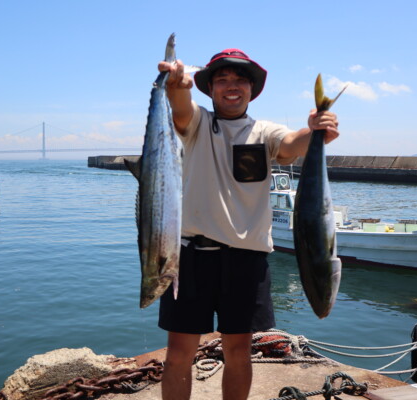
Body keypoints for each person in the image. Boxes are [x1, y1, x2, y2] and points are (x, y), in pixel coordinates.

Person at [157, 49, 340, 400]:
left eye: (240, 79)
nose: (231, 86)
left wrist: (315, 130)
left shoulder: (264, 131)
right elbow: (180, 109)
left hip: (246, 261)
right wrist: (177, 86)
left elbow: (290, 146)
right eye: (222, 79)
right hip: (191, 257)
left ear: (252, 89)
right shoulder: (198, 124)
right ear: (209, 89)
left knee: (239, 352)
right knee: (179, 353)